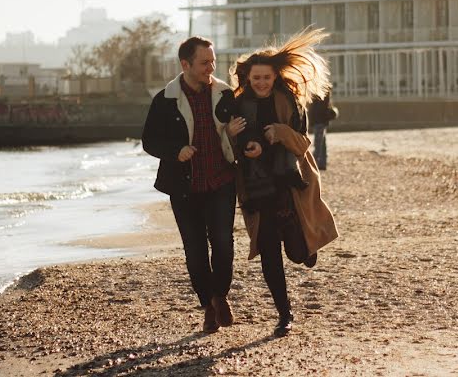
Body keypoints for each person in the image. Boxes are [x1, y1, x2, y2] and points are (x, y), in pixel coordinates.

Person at [228, 28, 339, 337]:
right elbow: (233, 147)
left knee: (296, 253)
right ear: (247, 79)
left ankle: (308, 247)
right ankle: (284, 314)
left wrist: (278, 131)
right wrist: (236, 139)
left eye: (266, 77)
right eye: (255, 78)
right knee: (269, 251)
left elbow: (303, 144)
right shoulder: (239, 104)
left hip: (288, 184)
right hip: (254, 186)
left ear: (274, 77)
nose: (261, 82)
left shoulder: (288, 100)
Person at [141, 36, 243, 334]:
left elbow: (238, 131)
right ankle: (209, 304)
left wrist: (235, 134)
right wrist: (175, 151)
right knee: (195, 251)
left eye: (212, 61)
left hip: (222, 181)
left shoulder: (225, 93)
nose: (210, 67)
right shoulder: (165, 99)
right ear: (185, 64)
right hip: (185, 187)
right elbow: (149, 141)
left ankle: (220, 294)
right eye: (204, 62)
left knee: (223, 245)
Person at [308, 88, 337, 171]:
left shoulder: (319, 91)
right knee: (322, 143)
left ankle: (314, 164)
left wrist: (311, 121)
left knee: (318, 143)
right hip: (322, 121)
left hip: (319, 121)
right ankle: (322, 164)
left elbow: (316, 108)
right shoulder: (324, 91)